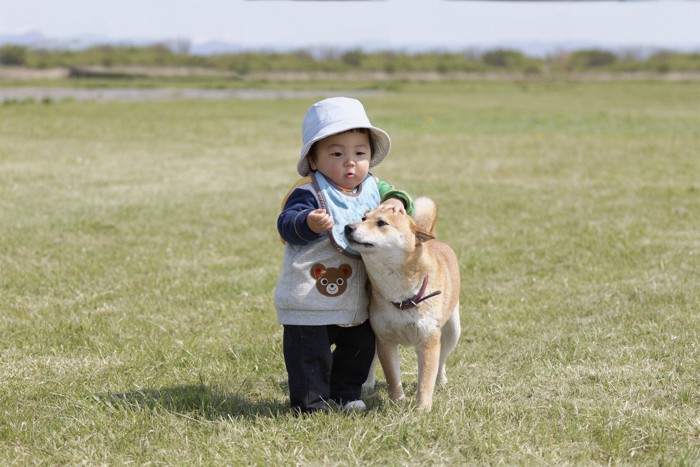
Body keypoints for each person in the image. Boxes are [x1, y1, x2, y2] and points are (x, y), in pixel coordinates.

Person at [274, 97, 414, 413]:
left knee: (359, 346)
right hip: (310, 297)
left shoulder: (374, 188)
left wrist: (396, 202)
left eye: (359, 153)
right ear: (313, 159)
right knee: (310, 354)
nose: (350, 162)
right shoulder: (309, 192)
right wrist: (307, 222)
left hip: (357, 299)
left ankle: (347, 393)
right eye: (337, 154)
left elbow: (401, 199)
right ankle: (310, 402)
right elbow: (286, 224)